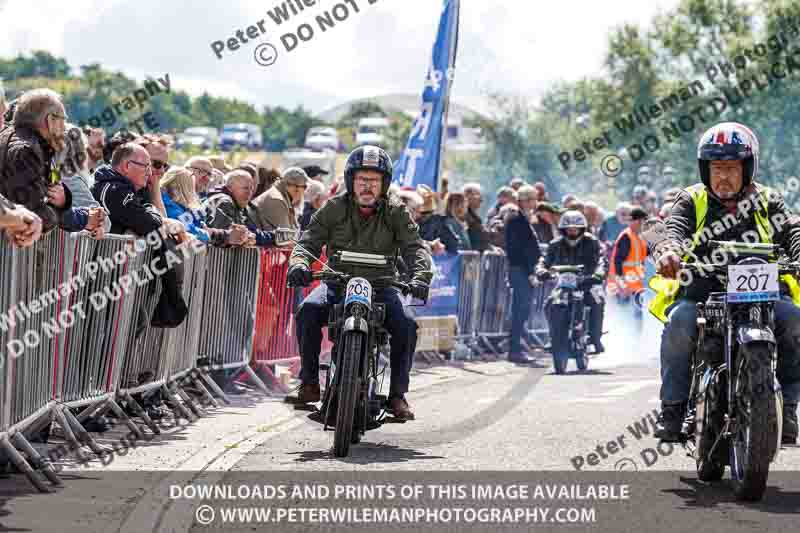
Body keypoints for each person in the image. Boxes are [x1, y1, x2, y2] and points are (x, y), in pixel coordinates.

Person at [650, 122, 800, 444]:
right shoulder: (691, 199)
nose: (724, 177)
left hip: (763, 294)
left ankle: (788, 407)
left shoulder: (769, 200)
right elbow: (671, 229)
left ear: (748, 169)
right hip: (704, 291)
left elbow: (792, 231)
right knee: (680, 322)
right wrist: (667, 251)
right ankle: (672, 409)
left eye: (732, 168)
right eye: (717, 168)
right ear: (706, 170)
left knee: (794, 320)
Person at [285, 145, 432, 420]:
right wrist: (299, 264)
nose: (368, 186)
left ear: (384, 184)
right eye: (362, 179)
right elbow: (308, 241)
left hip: (382, 286)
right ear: (351, 180)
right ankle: (309, 382)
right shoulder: (334, 207)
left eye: (374, 181)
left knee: (408, 325)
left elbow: (416, 248)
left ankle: (398, 395)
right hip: (337, 283)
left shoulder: (397, 212)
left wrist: (420, 276)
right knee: (308, 310)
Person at [0, 89, 103, 235]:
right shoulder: (27, 150)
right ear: (50, 121)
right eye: (63, 119)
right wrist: (82, 218)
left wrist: (63, 202)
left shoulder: (27, 144)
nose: (65, 128)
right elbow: (35, 214)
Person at [537, 210, 606, 362]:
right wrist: (541, 270)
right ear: (563, 229)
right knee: (549, 304)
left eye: (576, 228)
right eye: (569, 229)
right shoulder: (555, 244)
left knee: (597, 301)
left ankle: (595, 337)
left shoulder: (592, 242)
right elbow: (544, 261)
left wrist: (598, 273)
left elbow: (601, 260)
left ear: (582, 229)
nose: (572, 231)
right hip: (563, 283)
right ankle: (554, 337)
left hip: (586, 282)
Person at [505, 185, 542, 363]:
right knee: (520, 309)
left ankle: (518, 346)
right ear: (525, 200)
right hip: (521, 270)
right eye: (533, 199)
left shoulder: (523, 219)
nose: (535, 203)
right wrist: (529, 272)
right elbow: (518, 250)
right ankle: (514, 349)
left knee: (523, 309)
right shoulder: (516, 220)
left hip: (524, 270)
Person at [204, 169, 275, 248]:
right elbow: (227, 237)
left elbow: (251, 232)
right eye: (245, 188)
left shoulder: (239, 204)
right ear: (229, 188)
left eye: (251, 188)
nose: (249, 193)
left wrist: (274, 237)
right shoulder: (224, 202)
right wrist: (244, 239)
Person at [607, 206, 648, 330]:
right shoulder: (626, 236)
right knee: (624, 314)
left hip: (635, 283)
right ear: (636, 221)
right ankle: (623, 339)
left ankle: (636, 340)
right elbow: (617, 260)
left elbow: (644, 255)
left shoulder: (639, 236)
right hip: (625, 283)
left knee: (637, 313)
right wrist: (621, 283)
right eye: (642, 221)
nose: (644, 224)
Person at [249, 167, 307, 231]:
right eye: (304, 187)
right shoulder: (277, 200)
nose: (303, 191)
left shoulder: (280, 196)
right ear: (296, 188)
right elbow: (286, 236)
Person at [463, 182, 490, 252]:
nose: (481, 200)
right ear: (468, 196)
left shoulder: (475, 217)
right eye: (478, 195)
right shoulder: (463, 216)